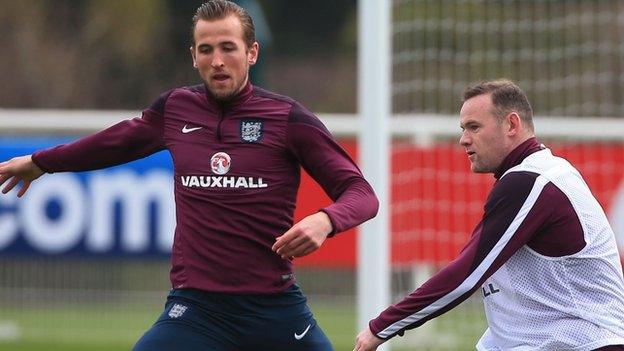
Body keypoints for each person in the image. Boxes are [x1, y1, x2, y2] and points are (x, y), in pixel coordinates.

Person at [0, 1, 378, 350]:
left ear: (252, 52)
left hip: (274, 310)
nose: (217, 60)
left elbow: (362, 193)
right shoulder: (176, 108)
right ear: (193, 57)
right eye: (206, 49)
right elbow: (114, 143)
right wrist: (42, 161)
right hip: (196, 310)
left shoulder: (287, 118)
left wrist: (325, 220)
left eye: (228, 47)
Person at [354, 79, 624, 351]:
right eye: (463, 129)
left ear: (511, 125)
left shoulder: (529, 181)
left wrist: (381, 327)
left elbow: (466, 274)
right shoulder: (546, 171)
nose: (463, 139)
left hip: (587, 343)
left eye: (474, 127)